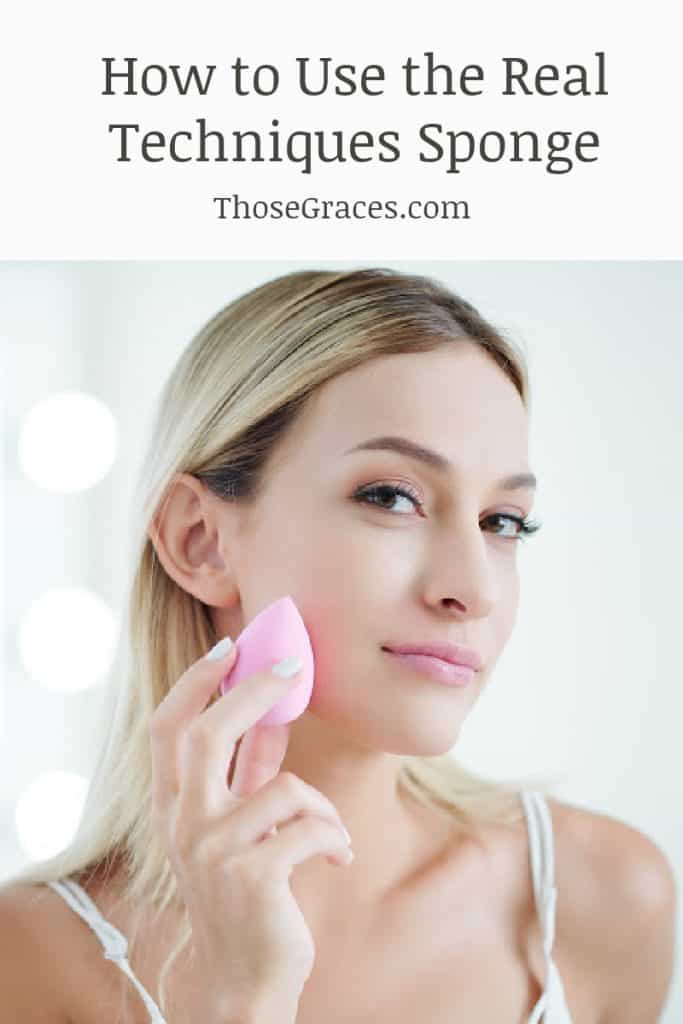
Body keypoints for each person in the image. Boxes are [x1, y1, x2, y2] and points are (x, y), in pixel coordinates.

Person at [0, 267, 676, 1023]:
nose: (473, 588)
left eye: (502, 522)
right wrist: (244, 998)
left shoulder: (601, 897)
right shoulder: (29, 958)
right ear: (202, 542)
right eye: (391, 497)